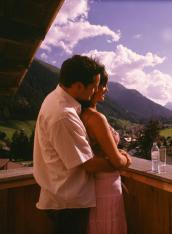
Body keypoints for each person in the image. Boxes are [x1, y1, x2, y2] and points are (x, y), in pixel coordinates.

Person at [33, 55, 114, 234]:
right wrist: (118, 161)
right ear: (78, 86)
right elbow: (88, 164)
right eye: (93, 87)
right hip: (68, 202)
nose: (95, 92)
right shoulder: (63, 115)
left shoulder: (55, 99)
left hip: (61, 197)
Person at [80, 66, 132, 234]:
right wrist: (125, 158)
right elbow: (117, 160)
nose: (106, 89)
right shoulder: (95, 118)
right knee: (108, 226)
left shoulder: (82, 114)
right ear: (93, 87)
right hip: (106, 183)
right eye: (103, 85)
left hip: (94, 183)